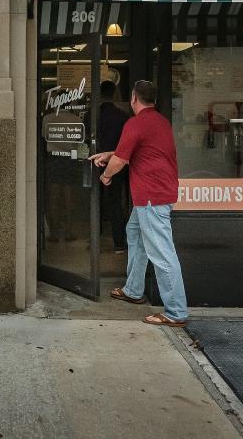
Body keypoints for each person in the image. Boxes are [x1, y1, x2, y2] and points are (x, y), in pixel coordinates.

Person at [88, 80, 188, 327]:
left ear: (134, 98)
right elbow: (139, 151)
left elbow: (121, 160)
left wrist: (106, 175)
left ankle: (175, 312)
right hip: (158, 194)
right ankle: (133, 289)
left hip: (151, 196)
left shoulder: (136, 123)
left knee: (162, 253)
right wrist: (110, 154)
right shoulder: (160, 122)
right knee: (134, 233)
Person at [97, 80, 130, 253]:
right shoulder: (123, 116)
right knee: (116, 201)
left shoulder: (92, 115)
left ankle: (95, 238)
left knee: (96, 200)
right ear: (115, 94)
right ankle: (118, 242)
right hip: (119, 163)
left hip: (95, 162)